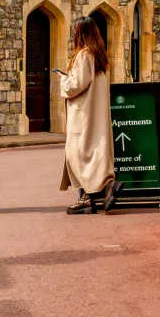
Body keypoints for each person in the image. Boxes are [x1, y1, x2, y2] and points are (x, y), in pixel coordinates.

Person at [59, 16, 117, 214]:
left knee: (77, 155)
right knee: (93, 153)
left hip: (84, 114)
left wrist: (63, 80)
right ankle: (91, 196)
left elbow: (76, 85)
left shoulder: (84, 55)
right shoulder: (99, 56)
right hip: (95, 113)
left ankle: (103, 188)